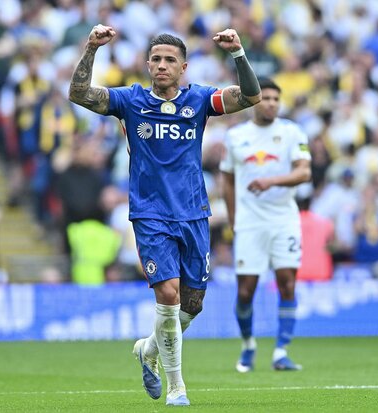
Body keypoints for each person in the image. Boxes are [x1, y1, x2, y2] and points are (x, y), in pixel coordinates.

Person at [69, 25, 262, 406]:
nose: (161, 65)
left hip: (193, 212)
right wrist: (91, 48)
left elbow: (251, 96)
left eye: (169, 60)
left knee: (192, 304)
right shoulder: (130, 100)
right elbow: (79, 94)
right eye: (155, 59)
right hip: (150, 213)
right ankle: (177, 387)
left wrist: (238, 53)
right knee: (168, 295)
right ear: (147, 64)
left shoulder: (200, 100)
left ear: (183, 67)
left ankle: (149, 349)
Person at [220, 78, 312, 373]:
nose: (271, 103)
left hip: (284, 220)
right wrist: (233, 219)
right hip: (249, 223)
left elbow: (304, 173)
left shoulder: (292, 132)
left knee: (287, 284)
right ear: (254, 101)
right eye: (266, 98)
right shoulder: (236, 136)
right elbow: (227, 180)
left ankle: (281, 351)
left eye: (275, 99)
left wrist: (271, 181)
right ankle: (248, 344)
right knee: (246, 291)